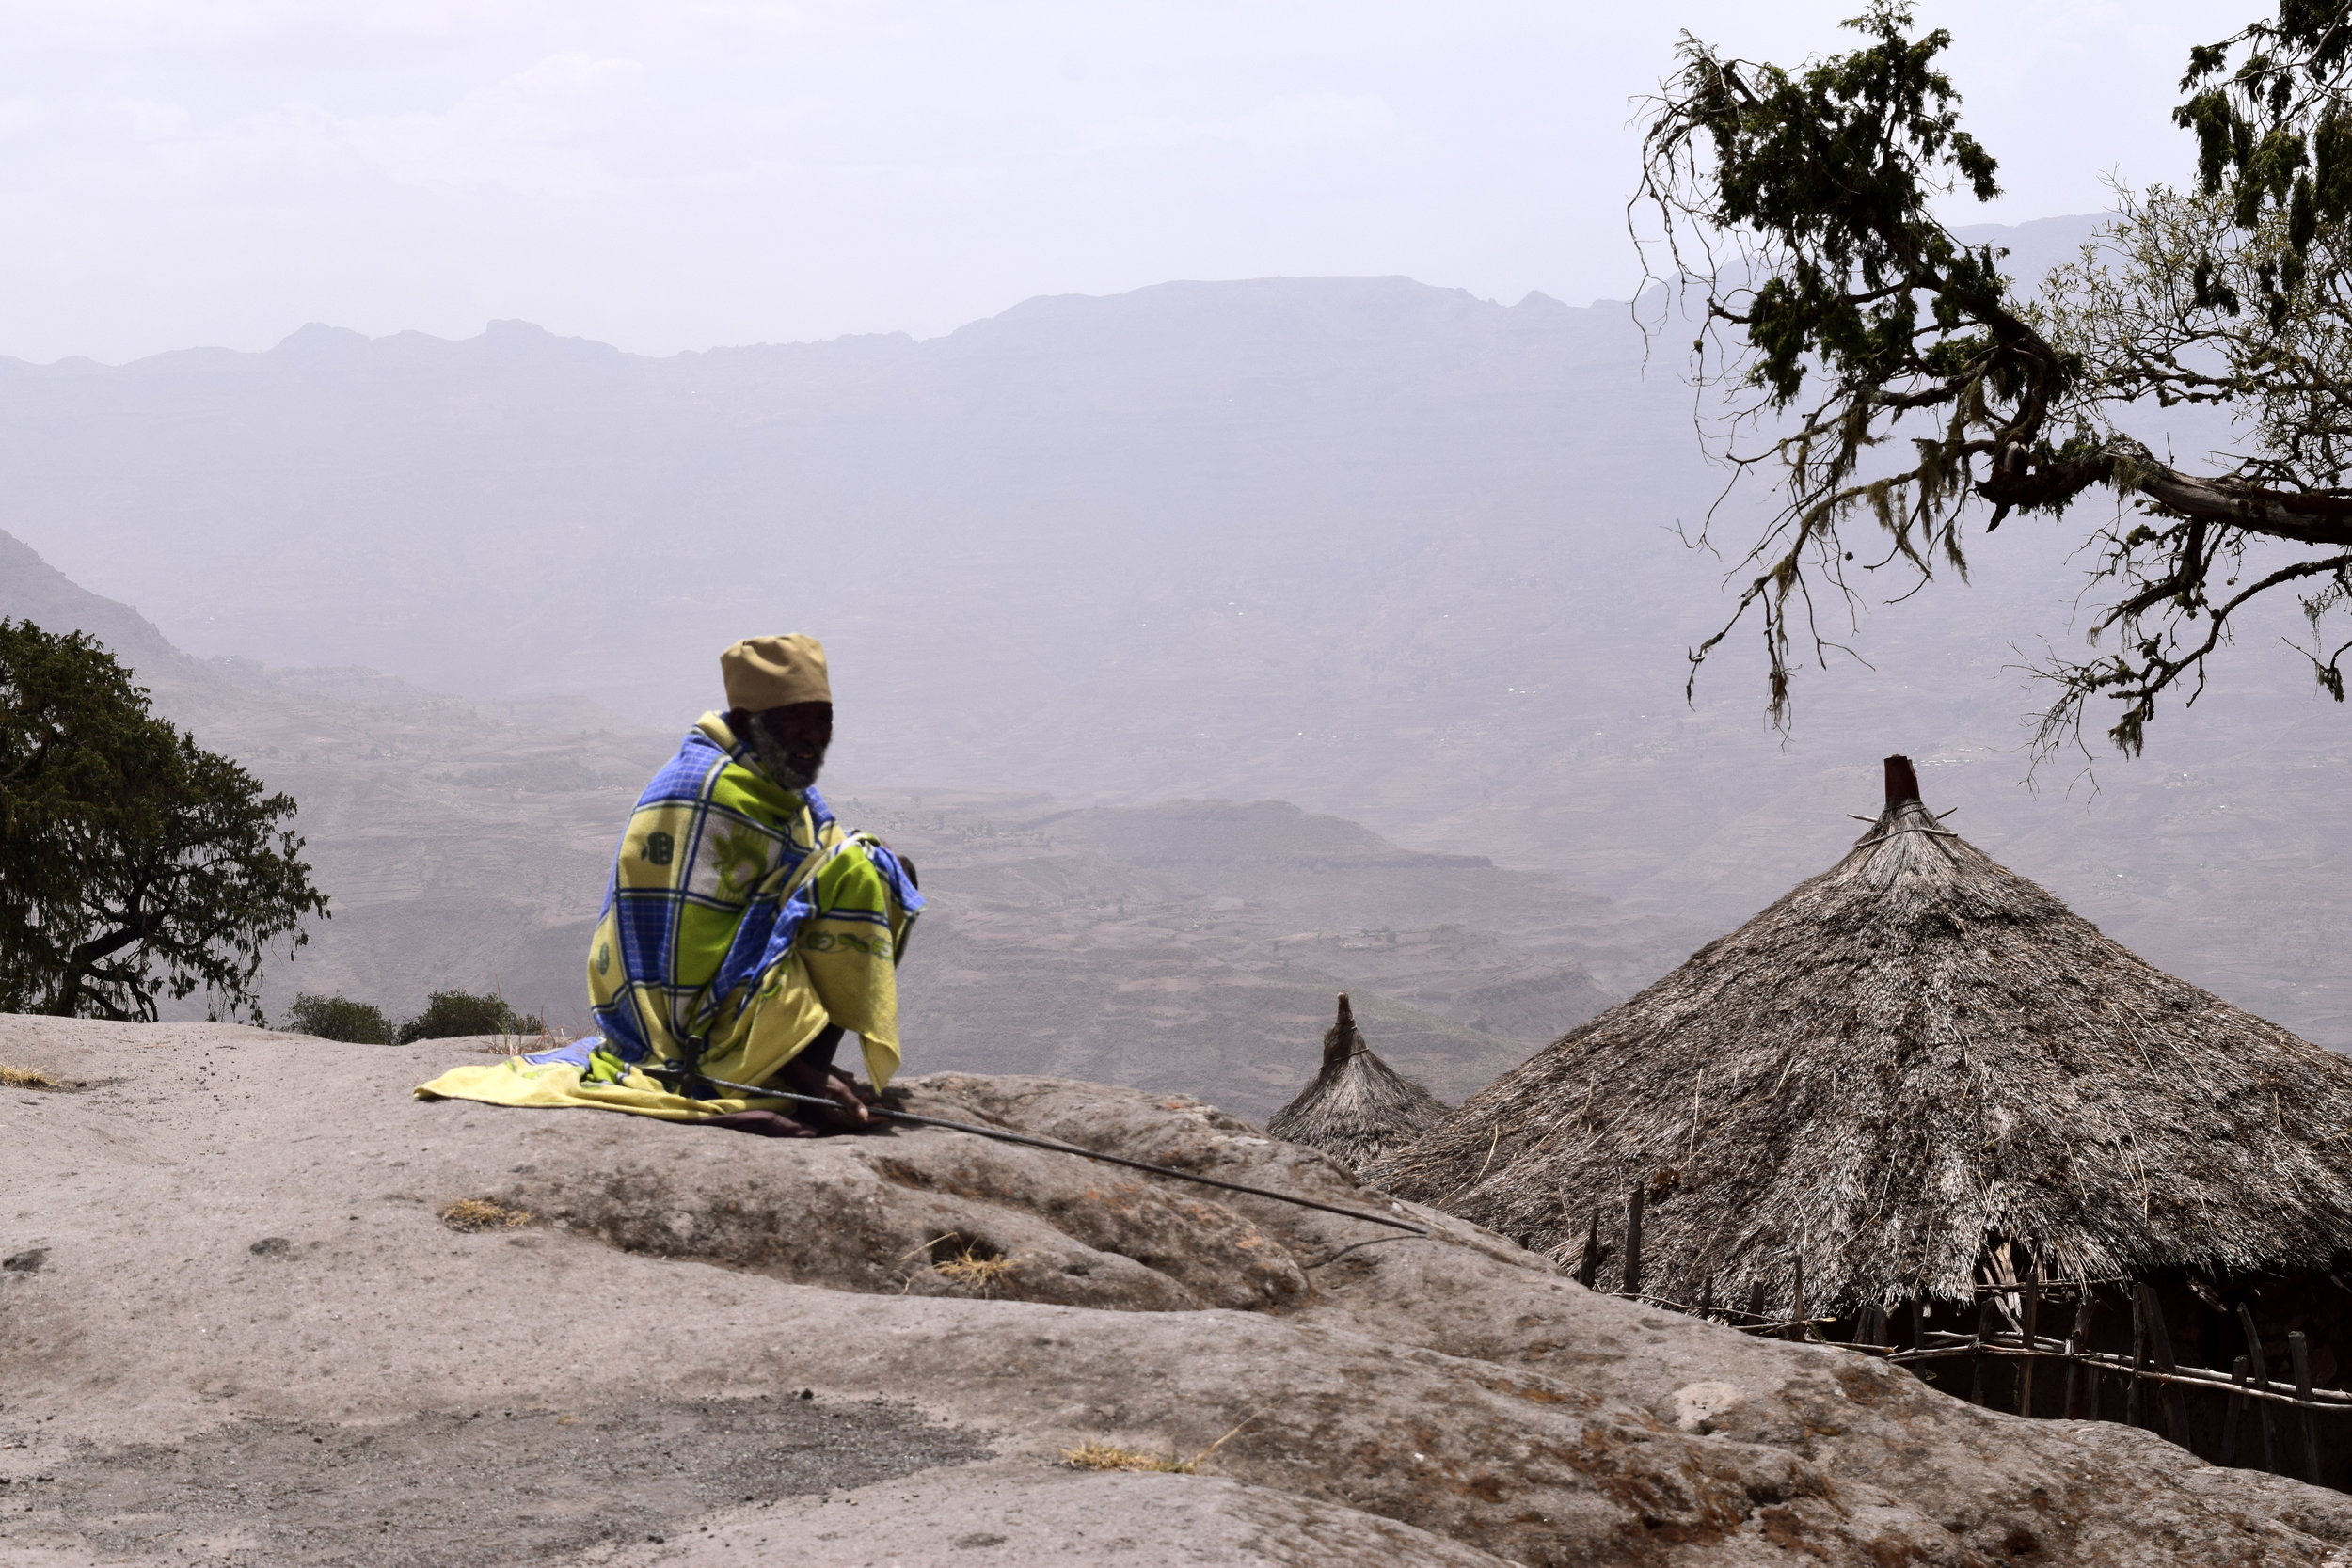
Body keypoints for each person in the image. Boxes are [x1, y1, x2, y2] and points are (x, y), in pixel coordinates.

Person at [416, 634, 923, 1135]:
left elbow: (822, 870)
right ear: (749, 723)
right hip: (679, 1027)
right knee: (854, 878)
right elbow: (686, 960)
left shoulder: (783, 790)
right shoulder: (704, 792)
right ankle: (760, 1081)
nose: (812, 739)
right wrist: (802, 1074)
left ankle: (784, 1073)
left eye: (822, 721)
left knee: (881, 874)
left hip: (747, 991)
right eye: (794, 723)